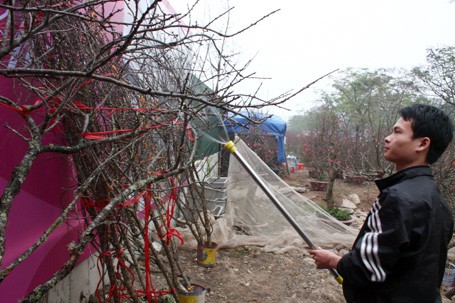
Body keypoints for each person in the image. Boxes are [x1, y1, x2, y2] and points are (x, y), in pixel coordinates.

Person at [309, 104, 454, 302]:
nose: (387, 138)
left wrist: (333, 261)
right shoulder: (439, 201)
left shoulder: (396, 198)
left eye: (397, 132)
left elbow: (367, 268)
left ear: (422, 144)